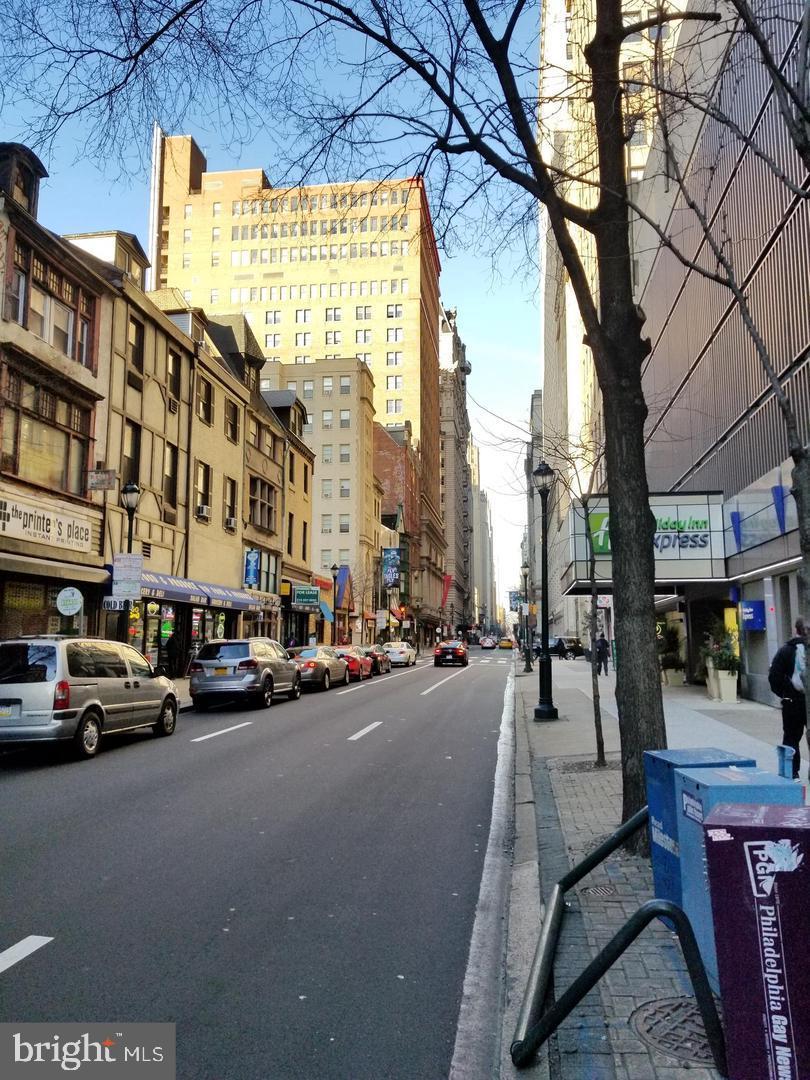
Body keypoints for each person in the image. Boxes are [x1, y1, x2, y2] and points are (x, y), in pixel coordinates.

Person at [768, 617, 807, 780]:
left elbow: (774, 678)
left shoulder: (785, 651)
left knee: (791, 737)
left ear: (795, 630)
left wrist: (784, 693)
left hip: (792, 701)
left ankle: (792, 772)